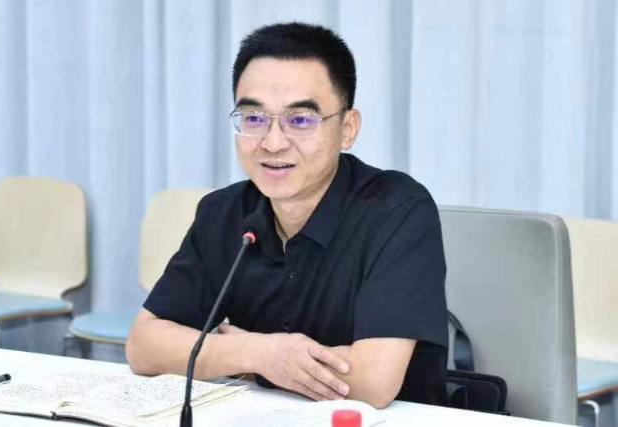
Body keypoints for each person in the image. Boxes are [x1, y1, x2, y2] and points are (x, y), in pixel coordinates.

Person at [126, 22, 448, 409]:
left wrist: (235, 355)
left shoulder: (398, 210)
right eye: (254, 118)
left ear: (347, 129)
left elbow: (373, 381)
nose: (273, 143)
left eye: (300, 120)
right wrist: (258, 354)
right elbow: (144, 346)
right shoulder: (223, 212)